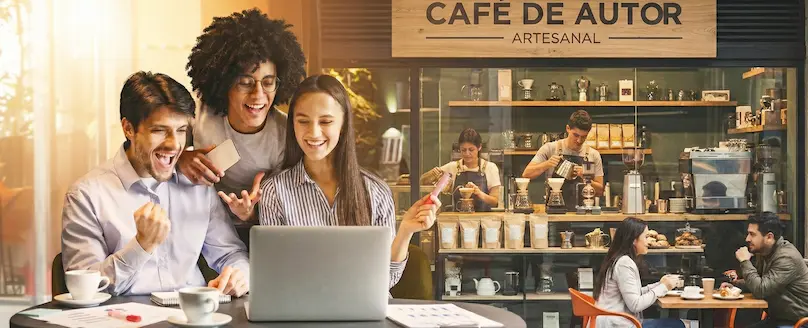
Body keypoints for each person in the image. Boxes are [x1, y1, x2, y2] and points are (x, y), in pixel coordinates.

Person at [61, 72, 249, 297]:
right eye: (159, 130)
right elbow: (85, 290)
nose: (174, 145)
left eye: (181, 131)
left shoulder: (198, 186)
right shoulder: (86, 195)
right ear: (128, 129)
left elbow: (231, 254)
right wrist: (141, 246)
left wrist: (239, 275)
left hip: (192, 317)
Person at [255, 75, 439, 289]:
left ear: (343, 124)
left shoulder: (375, 191)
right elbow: (275, 275)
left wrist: (406, 230)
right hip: (302, 311)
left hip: (363, 312)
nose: (313, 133)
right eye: (303, 121)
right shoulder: (274, 192)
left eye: (325, 121)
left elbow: (385, 281)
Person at [181, 9, 307, 231]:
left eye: (268, 82)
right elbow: (159, 155)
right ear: (224, 84)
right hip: (201, 226)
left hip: (257, 230)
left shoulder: (285, 134)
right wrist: (182, 158)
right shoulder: (199, 114)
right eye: (245, 82)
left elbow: (286, 211)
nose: (258, 95)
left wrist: (250, 214)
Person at [722, 212, 808, 328]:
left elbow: (761, 290)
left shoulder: (786, 257)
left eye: (752, 234)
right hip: (779, 319)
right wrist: (736, 285)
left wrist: (744, 261)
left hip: (797, 322)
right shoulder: (766, 252)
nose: (747, 239)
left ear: (769, 237)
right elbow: (761, 281)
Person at [594, 217, 683, 328]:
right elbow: (635, 305)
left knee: (675, 323)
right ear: (634, 240)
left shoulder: (620, 259)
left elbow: (632, 293)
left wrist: (660, 284)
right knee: (677, 325)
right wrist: (663, 287)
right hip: (617, 324)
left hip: (616, 321)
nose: (649, 241)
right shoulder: (624, 263)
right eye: (646, 237)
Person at [521, 110, 604, 211]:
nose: (579, 141)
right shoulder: (550, 148)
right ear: (568, 129)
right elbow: (526, 174)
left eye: (583, 137)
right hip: (554, 213)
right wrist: (547, 164)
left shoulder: (593, 155)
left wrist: (586, 178)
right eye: (576, 135)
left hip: (583, 214)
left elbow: (599, 191)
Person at [419, 128, 501, 212]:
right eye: (463, 150)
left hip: (483, 221)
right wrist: (431, 175)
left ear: (479, 147)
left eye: (471, 150)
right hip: (458, 220)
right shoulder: (453, 167)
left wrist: (479, 193)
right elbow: (421, 182)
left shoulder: (490, 168)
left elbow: (494, 202)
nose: (467, 153)